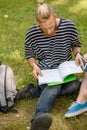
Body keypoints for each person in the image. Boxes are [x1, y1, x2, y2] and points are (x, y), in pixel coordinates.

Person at [24, 1, 82, 130]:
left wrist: (78, 54)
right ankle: (38, 117)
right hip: (45, 72)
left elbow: (76, 44)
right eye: (44, 28)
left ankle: (32, 91)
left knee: (75, 85)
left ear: (55, 16)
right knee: (54, 86)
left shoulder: (69, 26)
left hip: (65, 70)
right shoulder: (32, 33)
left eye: (51, 26)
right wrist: (34, 66)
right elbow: (29, 55)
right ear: (37, 22)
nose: (49, 31)